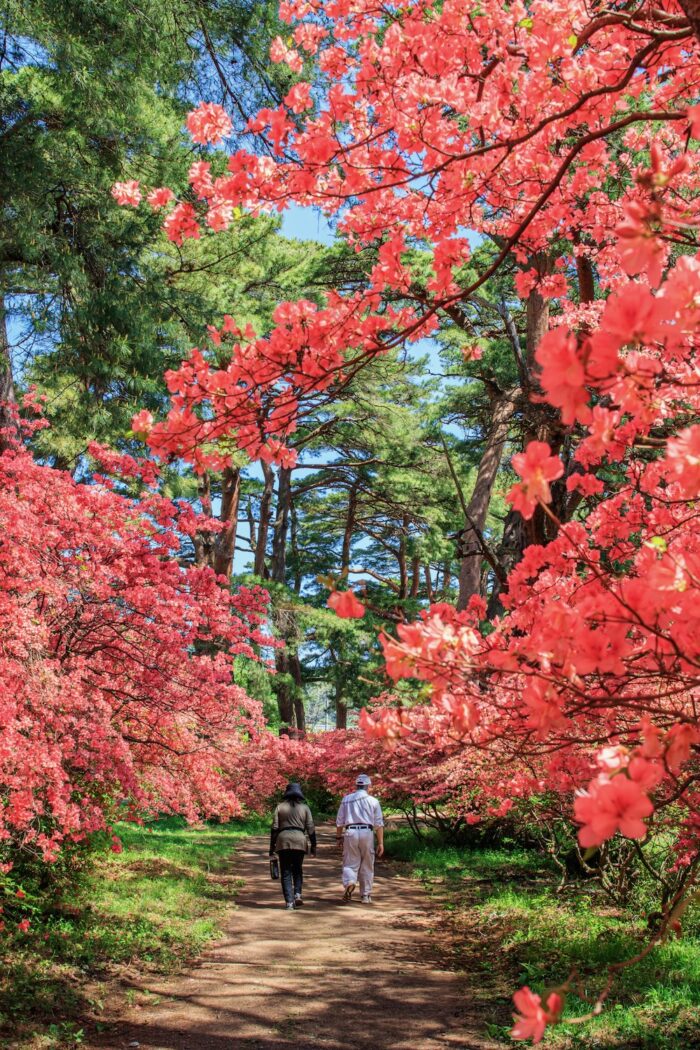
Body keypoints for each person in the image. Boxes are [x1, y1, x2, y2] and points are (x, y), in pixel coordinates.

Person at [335, 773, 384, 904]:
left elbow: (339, 821)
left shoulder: (346, 799)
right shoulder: (374, 801)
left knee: (350, 862)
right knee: (367, 864)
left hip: (351, 832)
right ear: (368, 786)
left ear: (356, 785)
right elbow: (378, 824)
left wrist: (338, 837)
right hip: (367, 832)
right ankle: (366, 895)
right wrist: (380, 843)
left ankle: (350, 882)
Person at [270, 782, 316, 910]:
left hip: (283, 840)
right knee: (297, 869)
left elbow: (274, 828)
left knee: (285, 872)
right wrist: (313, 845)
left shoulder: (279, 807)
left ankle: (289, 902)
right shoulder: (305, 808)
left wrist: (271, 848)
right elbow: (310, 828)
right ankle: (297, 894)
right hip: (300, 840)